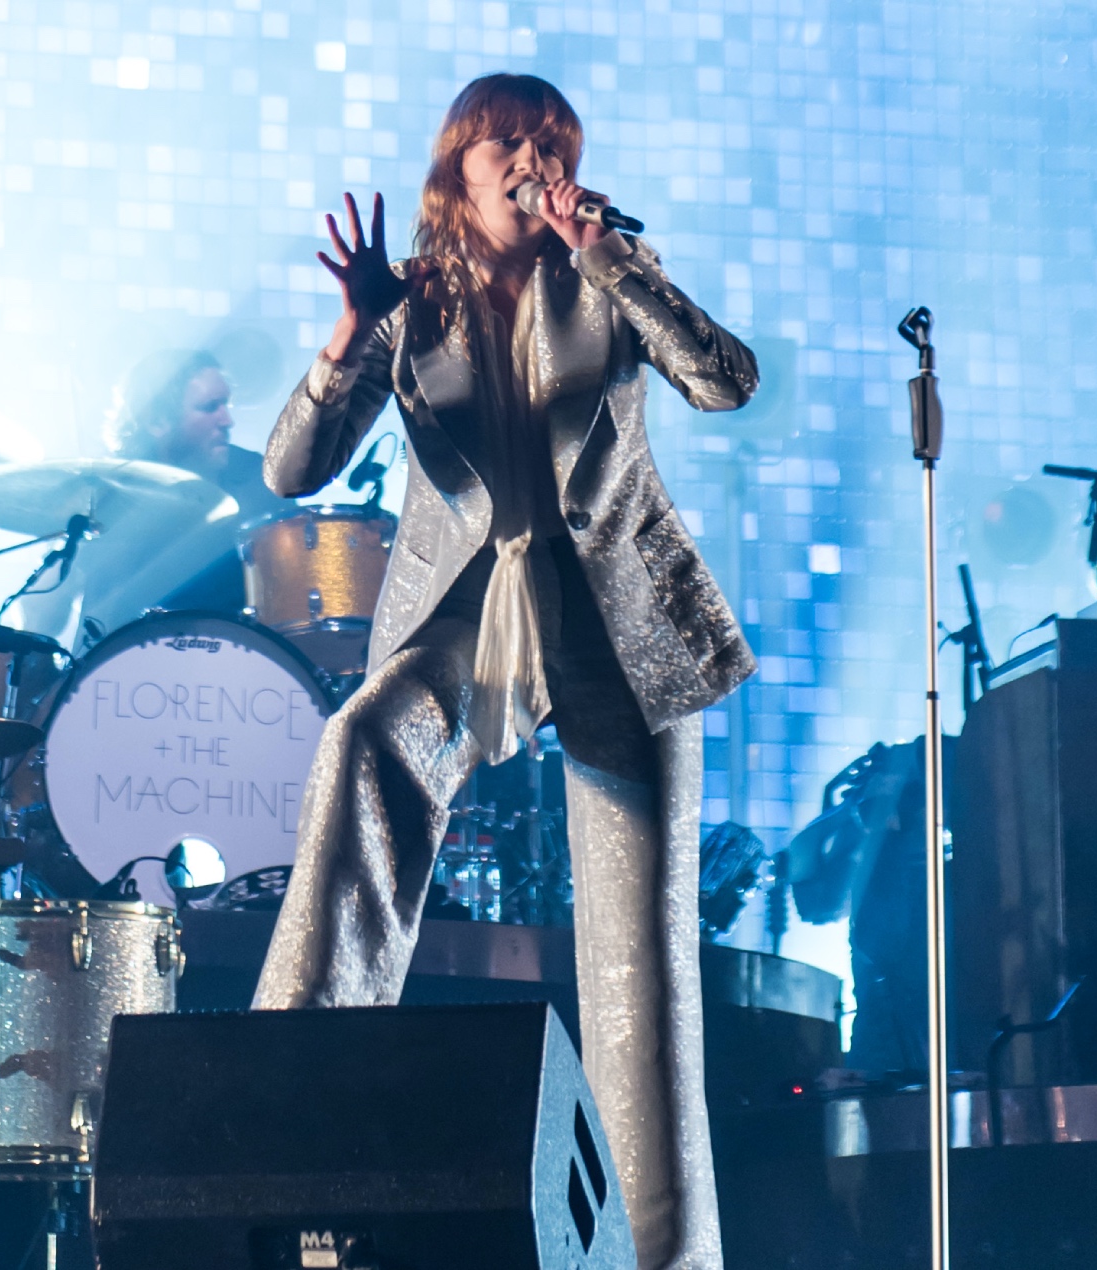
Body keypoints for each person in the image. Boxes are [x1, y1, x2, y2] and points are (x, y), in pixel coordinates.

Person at [251, 73, 757, 1270]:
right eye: (506, 142)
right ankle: (282, 1124)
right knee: (367, 737)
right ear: (456, 171)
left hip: (619, 620)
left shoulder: (608, 271)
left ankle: (666, 1261)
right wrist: (349, 330)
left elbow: (724, 380)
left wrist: (618, 260)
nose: (532, 156)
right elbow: (289, 472)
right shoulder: (409, 302)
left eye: (552, 141)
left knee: (641, 964)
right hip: (471, 616)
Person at [18, 349, 289, 643]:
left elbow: (297, 591)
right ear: (157, 422)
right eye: (210, 407)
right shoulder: (105, 493)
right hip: (113, 677)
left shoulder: (256, 479)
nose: (227, 420)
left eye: (226, 404)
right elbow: (44, 617)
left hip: (233, 673)